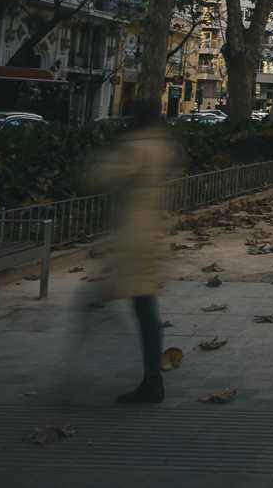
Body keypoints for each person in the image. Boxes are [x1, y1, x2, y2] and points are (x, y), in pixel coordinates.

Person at [84, 98, 182, 403]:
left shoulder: (136, 147)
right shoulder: (165, 146)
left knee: (106, 302)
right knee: (144, 307)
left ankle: (148, 377)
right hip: (153, 232)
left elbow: (98, 177)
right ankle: (150, 375)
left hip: (134, 236)